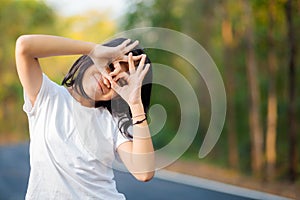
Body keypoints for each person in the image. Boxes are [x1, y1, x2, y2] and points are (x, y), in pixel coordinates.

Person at [15, 34, 155, 199]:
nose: (109, 79)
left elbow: (143, 172)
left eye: (121, 81)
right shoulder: (47, 96)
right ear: (93, 59)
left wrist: (135, 104)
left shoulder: (113, 121)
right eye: (109, 65)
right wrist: (93, 49)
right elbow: (25, 46)